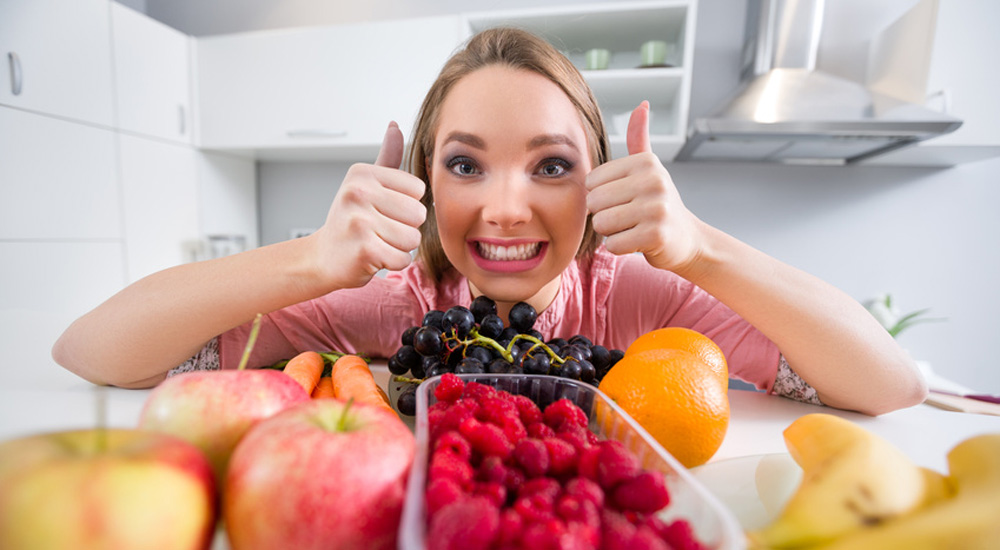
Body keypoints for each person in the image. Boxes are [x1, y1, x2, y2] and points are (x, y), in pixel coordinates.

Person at [53, 28, 927, 415]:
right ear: (423, 179)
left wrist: (702, 249)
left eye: (551, 166)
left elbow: (890, 384)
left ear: (600, 179)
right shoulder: (385, 300)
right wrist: (309, 263)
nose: (506, 206)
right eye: (466, 164)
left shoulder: (633, 295)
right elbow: (93, 353)